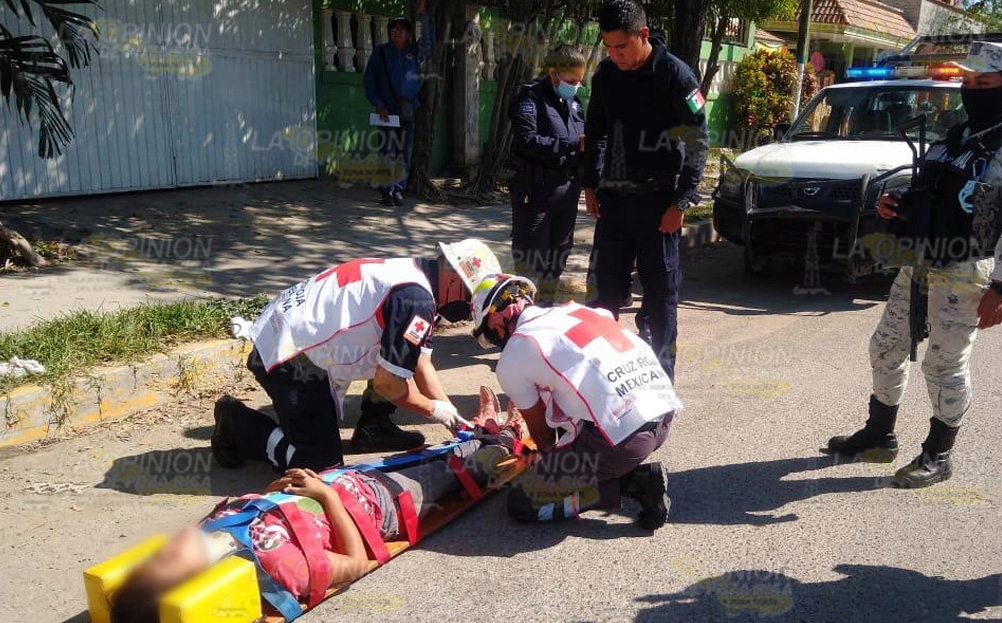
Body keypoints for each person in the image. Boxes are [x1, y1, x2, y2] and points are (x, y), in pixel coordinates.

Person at [825, 41, 1002, 488]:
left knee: (944, 366)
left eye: (983, 83)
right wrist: (897, 206)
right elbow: (931, 192)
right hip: (920, 263)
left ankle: (938, 454)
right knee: (885, 347)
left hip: (968, 271)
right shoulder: (957, 134)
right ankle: (878, 435)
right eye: (967, 81)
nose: (972, 90)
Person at [107, 405, 526, 623]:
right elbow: (359, 562)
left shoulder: (208, 536)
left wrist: (276, 491)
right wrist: (326, 496)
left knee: (429, 454)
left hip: (346, 480)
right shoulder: (274, 568)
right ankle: (502, 438)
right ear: (194, 586)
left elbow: (258, 508)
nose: (165, 546)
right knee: (456, 469)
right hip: (381, 506)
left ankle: (480, 432)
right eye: (165, 561)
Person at [210, 239, 503, 473]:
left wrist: (455, 420)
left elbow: (420, 362)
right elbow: (390, 385)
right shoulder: (416, 300)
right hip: (288, 357)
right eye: (469, 295)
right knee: (318, 469)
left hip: (289, 337)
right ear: (452, 275)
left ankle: (373, 428)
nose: (467, 307)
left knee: (397, 358)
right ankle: (239, 423)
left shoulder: (416, 277)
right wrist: (435, 411)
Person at [469, 273, 680, 530]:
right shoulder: (574, 310)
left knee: (522, 502)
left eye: (489, 335)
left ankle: (633, 485)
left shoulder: (515, 353)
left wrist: (550, 470)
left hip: (625, 440)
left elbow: (545, 440)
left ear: (497, 317)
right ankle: (618, 469)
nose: (493, 341)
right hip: (663, 412)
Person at [582, 0, 708, 381]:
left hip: (658, 205)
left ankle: (662, 381)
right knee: (604, 295)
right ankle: (602, 378)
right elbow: (596, 132)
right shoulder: (606, 76)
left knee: (660, 296)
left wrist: (681, 200)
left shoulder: (676, 76)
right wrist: (590, 185)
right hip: (615, 203)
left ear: (643, 35)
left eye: (621, 47)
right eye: (608, 47)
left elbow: (698, 140)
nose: (615, 55)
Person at [510, 44, 587, 300]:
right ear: (554, 74)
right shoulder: (531, 98)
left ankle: (547, 308)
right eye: (571, 80)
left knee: (559, 254)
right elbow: (527, 140)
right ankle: (522, 318)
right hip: (537, 191)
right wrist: (572, 144)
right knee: (532, 257)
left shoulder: (574, 103)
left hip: (568, 193)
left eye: (579, 81)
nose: (576, 86)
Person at [363, 0, 431, 207]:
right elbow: (369, 80)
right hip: (387, 110)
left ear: (409, 34)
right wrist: (378, 103)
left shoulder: (415, 52)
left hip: (408, 109)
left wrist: (423, 15)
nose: (397, 32)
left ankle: (399, 190)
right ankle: (386, 191)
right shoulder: (381, 52)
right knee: (387, 150)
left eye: (401, 29)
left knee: (404, 151)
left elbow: (429, 42)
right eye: (394, 29)